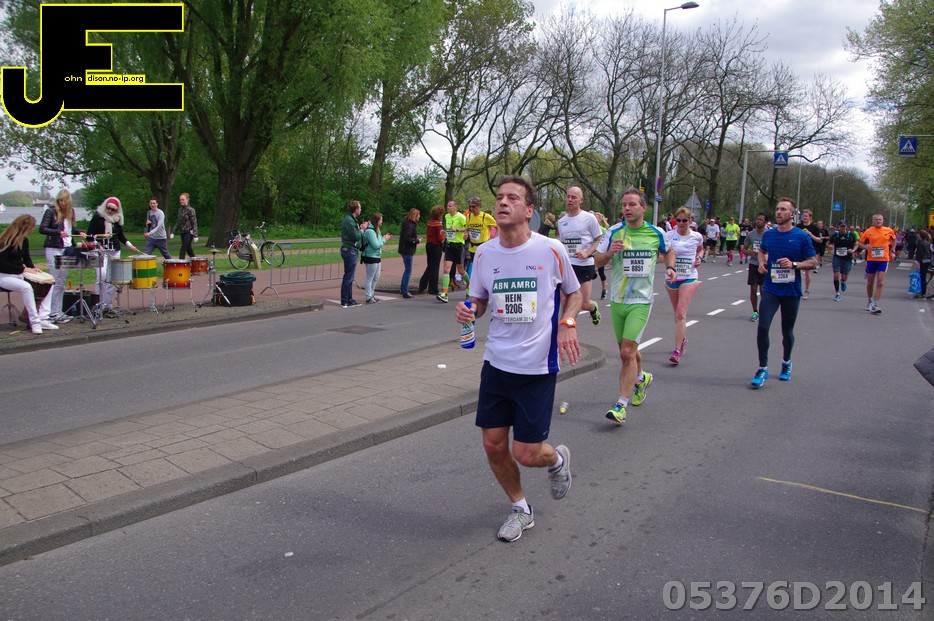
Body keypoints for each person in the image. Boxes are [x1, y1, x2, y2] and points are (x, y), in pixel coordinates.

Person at [453, 174, 581, 543]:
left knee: (526, 453)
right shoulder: (484, 253)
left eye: (512, 198)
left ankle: (556, 460)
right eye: (499, 197)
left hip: (537, 367)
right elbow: (478, 300)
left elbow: (575, 294)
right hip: (496, 362)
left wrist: (568, 323)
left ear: (529, 210)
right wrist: (468, 310)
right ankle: (521, 509)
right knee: (493, 445)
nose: (503, 202)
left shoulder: (550, 250)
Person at [594, 188, 675, 424]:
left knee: (627, 351)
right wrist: (610, 252)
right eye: (624, 205)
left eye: (632, 204)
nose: (627, 209)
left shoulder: (656, 232)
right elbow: (596, 261)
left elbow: (669, 250)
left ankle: (621, 405)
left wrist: (671, 268)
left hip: (641, 301)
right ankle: (641, 377)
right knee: (627, 349)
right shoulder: (614, 232)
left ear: (643, 208)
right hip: (618, 300)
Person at [750, 198, 818, 388]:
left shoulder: (801, 236)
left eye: (783, 209)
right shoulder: (769, 235)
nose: (779, 212)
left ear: (792, 214)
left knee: (786, 331)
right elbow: (762, 251)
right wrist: (762, 263)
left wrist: (794, 264)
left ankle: (786, 362)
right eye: (777, 209)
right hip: (771, 288)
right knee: (763, 326)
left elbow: (813, 262)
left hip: (791, 291)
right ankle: (762, 368)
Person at [0, 215, 58, 334]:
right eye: (31, 227)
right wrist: (23, 269)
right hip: (4, 276)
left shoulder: (24, 240)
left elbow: (26, 258)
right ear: (24, 227)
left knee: (49, 283)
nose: (32, 230)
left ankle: (43, 318)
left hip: (19, 273)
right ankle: (34, 321)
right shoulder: (6, 240)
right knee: (26, 287)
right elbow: (2, 264)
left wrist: (33, 268)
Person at [557, 187, 603, 327]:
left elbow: (599, 239)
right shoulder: (561, 222)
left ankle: (593, 308)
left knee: (583, 303)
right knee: (565, 301)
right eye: (568, 197)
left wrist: (587, 253)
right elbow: (562, 243)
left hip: (584, 264)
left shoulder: (589, 218)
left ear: (581, 200)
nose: (570, 200)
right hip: (568, 265)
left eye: (574, 197)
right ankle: (566, 330)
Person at [86, 197, 140, 316]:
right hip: (100, 251)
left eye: (113, 209)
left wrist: (129, 245)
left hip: (114, 250)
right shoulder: (98, 218)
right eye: (108, 208)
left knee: (113, 278)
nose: (110, 211)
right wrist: (97, 245)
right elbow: (89, 236)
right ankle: (98, 304)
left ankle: (107, 304)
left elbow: (121, 236)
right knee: (101, 276)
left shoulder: (116, 220)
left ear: (116, 210)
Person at [663, 207, 704, 364]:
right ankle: (682, 339)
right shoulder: (669, 235)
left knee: (681, 313)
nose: (681, 223)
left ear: (690, 221)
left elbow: (700, 249)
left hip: (689, 276)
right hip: (672, 277)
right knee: (677, 314)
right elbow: (663, 253)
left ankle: (677, 350)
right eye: (678, 220)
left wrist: (699, 258)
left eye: (684, 220)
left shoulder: (696, 236)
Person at [39, 189, 85, 323]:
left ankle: (57, 311)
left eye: (65, 201)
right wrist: (57, 232)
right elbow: (42, 228)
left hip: (67, 247)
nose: (62, 203)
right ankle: (52, 312)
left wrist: (79, 232)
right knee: (56, 279)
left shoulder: (71, 212)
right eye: (60, 201)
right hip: (54, 247)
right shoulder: (51, 212)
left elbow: (70, 229)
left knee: (62, 281)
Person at [857, 213, 897, 315]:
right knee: (870, 282)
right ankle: (870, 299)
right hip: (871, 259)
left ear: (882, 221)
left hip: (883, 259)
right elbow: (860, 243)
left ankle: (875, 304)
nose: (878, 221)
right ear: (873, 221)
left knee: (880, 282)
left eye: (880, 219)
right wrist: (865, 247)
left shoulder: (888, 230)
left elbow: (894, 240)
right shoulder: (868, 231)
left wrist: (893, 251)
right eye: (876, 219)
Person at [438, 200, 467, 303]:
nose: (448, 207)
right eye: (447, 206)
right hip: (449, 245)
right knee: (446, 269)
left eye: (450, 206)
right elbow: (450, 230)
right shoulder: (447, 216)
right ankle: (445, 294)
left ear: (455, 207)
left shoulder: (461, 217)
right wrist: (444, 232)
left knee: (461, 270)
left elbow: (467, 228)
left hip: (458, 246)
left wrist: (457, 229)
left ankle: (469, 285)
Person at [741, 213, 768, 321]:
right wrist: (750, 252)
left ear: (765, 222)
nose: (758, 221)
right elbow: (744, 248)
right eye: (757, 219)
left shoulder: (769, 234)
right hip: (754, 264)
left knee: (763, 290)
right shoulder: (751, 234)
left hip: (765, 264)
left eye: (761, 219)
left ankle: (763, 311)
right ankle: (755, 311)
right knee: (753, 288)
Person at [340, 200, 366, 307]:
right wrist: (362, 230)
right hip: (350, 250)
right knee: (348, 276)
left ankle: (349, 299)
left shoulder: (351, 219)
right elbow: (355, 236)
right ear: (356, 209)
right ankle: (344, 300)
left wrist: (360, 228)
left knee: (350, 276)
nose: (361, 209)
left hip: (351, 249)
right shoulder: (349, 221)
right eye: (360, 208)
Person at [464, 196, 497, 282]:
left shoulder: (486, 217)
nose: (471, 208)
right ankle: (475, 286)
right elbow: (467, 228)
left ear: (479, 206)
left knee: (483, 268)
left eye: (473, 206)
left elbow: (498, 227)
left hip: (483, 247)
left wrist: (495, 240)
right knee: (475, 268)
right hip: (472, 248)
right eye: (470, 207)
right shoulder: (469, 217)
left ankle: (487, 284)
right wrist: (466, 233)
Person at [361, 213, 391, 304]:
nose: (382, 221)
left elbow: (378, 242)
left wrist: (382, 239)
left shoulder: (377, 229)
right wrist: (384, 239)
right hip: (370, 256)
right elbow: (376, 245)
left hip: (376, 256)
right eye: (381, 220)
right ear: (377, 220)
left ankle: (372, 294)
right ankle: (368, 297)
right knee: (370, 277)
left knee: (376, 276)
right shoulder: (370, 231)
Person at [418, 205, 444, 296]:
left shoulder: (429, 222)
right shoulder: (438, 224)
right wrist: (444, 236)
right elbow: (440, 238)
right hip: (436, 246)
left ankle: (422, 284)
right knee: (435, 268)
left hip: (429, 245)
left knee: (430, 266)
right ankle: (433, 289)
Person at [794, 209, 821, 299]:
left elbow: (819, 240)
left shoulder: (814, 228)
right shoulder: (798, 226)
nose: (804, 217)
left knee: (807, 272)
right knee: (795, 269)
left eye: (806, 216)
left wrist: (810, 235)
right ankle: (797, 289)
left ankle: (806, 290)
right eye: (803, 216)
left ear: (810, 217)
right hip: (799, 250)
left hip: (809, 251)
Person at [827, 221, 857, 302]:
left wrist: (852, 250)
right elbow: (828, 243)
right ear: (839, 227)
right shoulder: (835, 235)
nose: (842, 228)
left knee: (844, 277)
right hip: (837, 257)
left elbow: (856, 244)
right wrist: (829, 246)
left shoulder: (851, 235)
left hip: (847, 258)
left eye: (844, 226)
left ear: (846, 227)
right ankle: (837, 293)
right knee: (836, 275)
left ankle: (843, 281)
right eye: (841, 226)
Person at [398, 208, 421, 299]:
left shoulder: (406, 223)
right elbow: (407, 238)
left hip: (403, 249)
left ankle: (402, 289)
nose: (419, 217)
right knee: (408, 271)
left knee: (407, 270)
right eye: (418, 215)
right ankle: (405, 291)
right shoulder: (411, 225)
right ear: (415, 216)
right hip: (407, 250)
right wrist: (416, 240)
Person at [170, 193, 198, 260]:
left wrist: (195, 235)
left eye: (183, 199)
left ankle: (180, 264)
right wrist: (173, 232)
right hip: (182, 232)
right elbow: (178, 222)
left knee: (183, 250)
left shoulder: (191, 210)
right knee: (188, 249)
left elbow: (194, 223)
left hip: (189, 232)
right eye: (180, 200)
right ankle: (196, 262)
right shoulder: (180, 210)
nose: (181, 201)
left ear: (187, 200)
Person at [594, 211, 610, 299]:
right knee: (590, 274)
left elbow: (606, 242)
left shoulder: (603, 230)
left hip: (599, 254)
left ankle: (604, 290)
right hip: (591, 254)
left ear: (600, 220)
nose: (595, 219)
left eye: (596, 218)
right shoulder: (589, 229)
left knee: (601, 273)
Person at [915, 230, 932, 299]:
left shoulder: (920, 243)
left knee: (922, 277)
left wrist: (918, 260)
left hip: (923, 260)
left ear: (920, 236)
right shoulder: (927, 242)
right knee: (924, 276)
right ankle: (923, 291)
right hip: (928, 260)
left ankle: (923, 292)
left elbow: (920, 253)